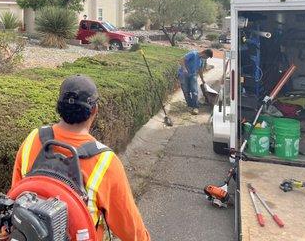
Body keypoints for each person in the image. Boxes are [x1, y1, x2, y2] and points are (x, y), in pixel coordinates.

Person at [11, 75, 150, 241]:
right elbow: (131, 230)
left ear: (58, 107)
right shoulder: (105, 162)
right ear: (94, 110)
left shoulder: (33, 139)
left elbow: (16, 195)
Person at [178, 49, 213, 115]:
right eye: (207, 57)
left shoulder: (201, 60)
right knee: (186, 90)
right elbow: (182, 60)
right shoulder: (193, 54)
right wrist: (184, 69)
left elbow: (200, 70)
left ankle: (195, 107)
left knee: (194, 91)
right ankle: (190, 105)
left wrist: (202, 80)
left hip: (193, 75)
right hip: (183, 75)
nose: (206, 58)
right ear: (204, 53)